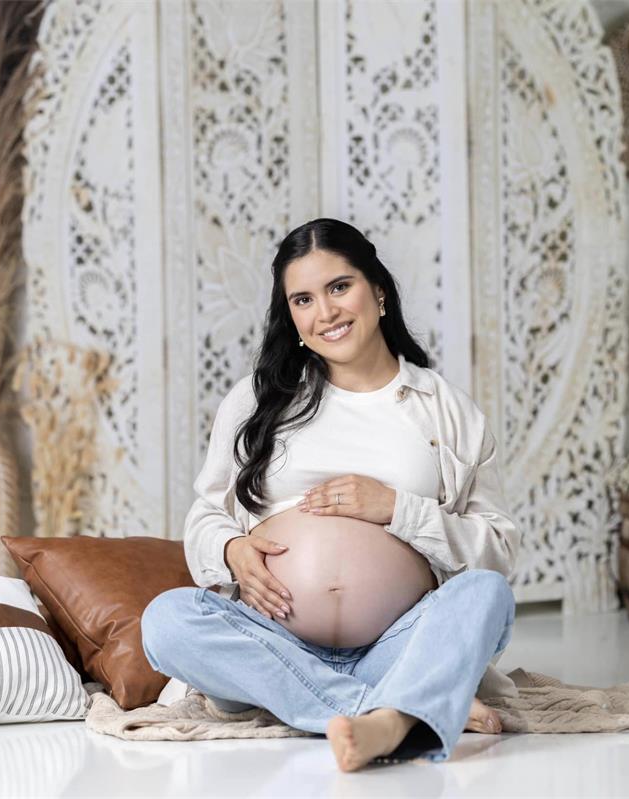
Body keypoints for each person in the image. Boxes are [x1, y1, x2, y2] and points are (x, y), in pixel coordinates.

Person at [141, 218, 520, 771]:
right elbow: (206, 516)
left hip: (399, 641)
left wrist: (397, 508)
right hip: (272, 640)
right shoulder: (257, 402)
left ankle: (354, 704)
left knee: (486, 595)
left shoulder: (444, 409)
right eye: (303, 299)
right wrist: (232, 552)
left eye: (339, 287)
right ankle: (399, 713)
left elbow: (499, 551)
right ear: (291, 316)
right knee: (166, 620)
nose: (326, 312)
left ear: (379, 291)